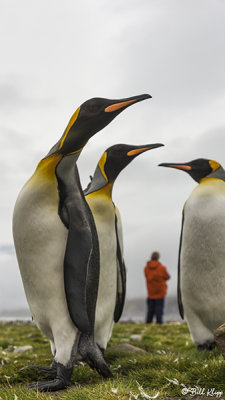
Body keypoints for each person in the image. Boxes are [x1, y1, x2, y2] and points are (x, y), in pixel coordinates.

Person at [144, 251, 170, 324]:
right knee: (159, 310)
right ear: (158, 257)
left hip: (150, 293)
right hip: (160, 292)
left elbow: (146, 276)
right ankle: (159, 324)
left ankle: (148, 324)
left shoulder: (146, 268)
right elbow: (167, 277)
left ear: (151, 257)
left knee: (150, 310)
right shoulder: (162, 268)